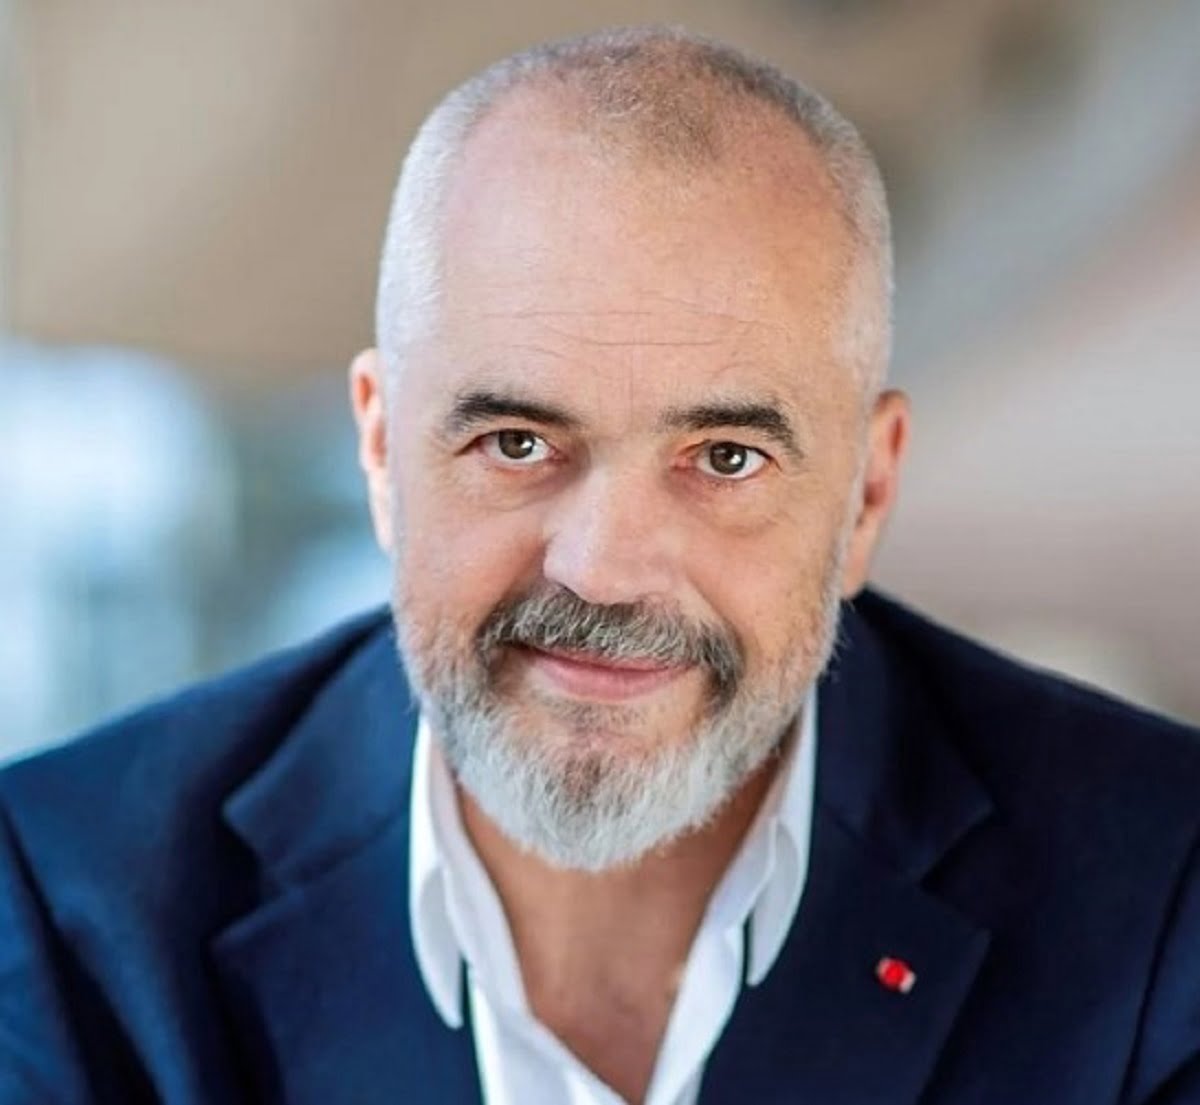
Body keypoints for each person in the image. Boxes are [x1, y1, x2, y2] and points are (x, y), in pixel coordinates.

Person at [2, 25, 1198, 1105]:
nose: (605, 571)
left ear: (866, 493)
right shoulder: (68, 913)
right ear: (380, 450)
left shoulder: (1163, 898)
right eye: (518, 443)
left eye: (724, 458)